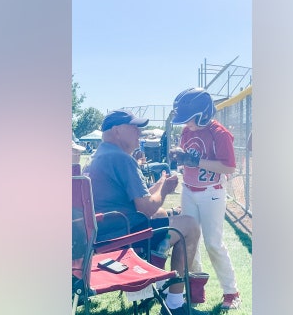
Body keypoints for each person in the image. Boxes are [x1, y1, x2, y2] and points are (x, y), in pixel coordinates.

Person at [84, 109, 210, 315]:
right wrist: (166, 188)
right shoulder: (121, 159)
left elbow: (135, 201)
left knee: (163, 215)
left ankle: (154, 281)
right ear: (117, 130)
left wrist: (159, 185)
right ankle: (175, 304)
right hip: (123, 237)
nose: (139, 132)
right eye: (134, 127)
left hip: (102, 234)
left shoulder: (99, 156)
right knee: (189, 226)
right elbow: (146, 208)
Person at [169, 88, 242, 310]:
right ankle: (195, 287)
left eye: (188, 118)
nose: (186, 124)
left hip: (212, 192)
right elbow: (187, 154)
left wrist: (195, 162)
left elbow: (229, 166)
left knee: (213, 243)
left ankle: (231, 291)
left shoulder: (219, 133)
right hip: (189, 189)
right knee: (189, 240)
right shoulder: (187, 131)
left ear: (202, 113)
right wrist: (178, 153)